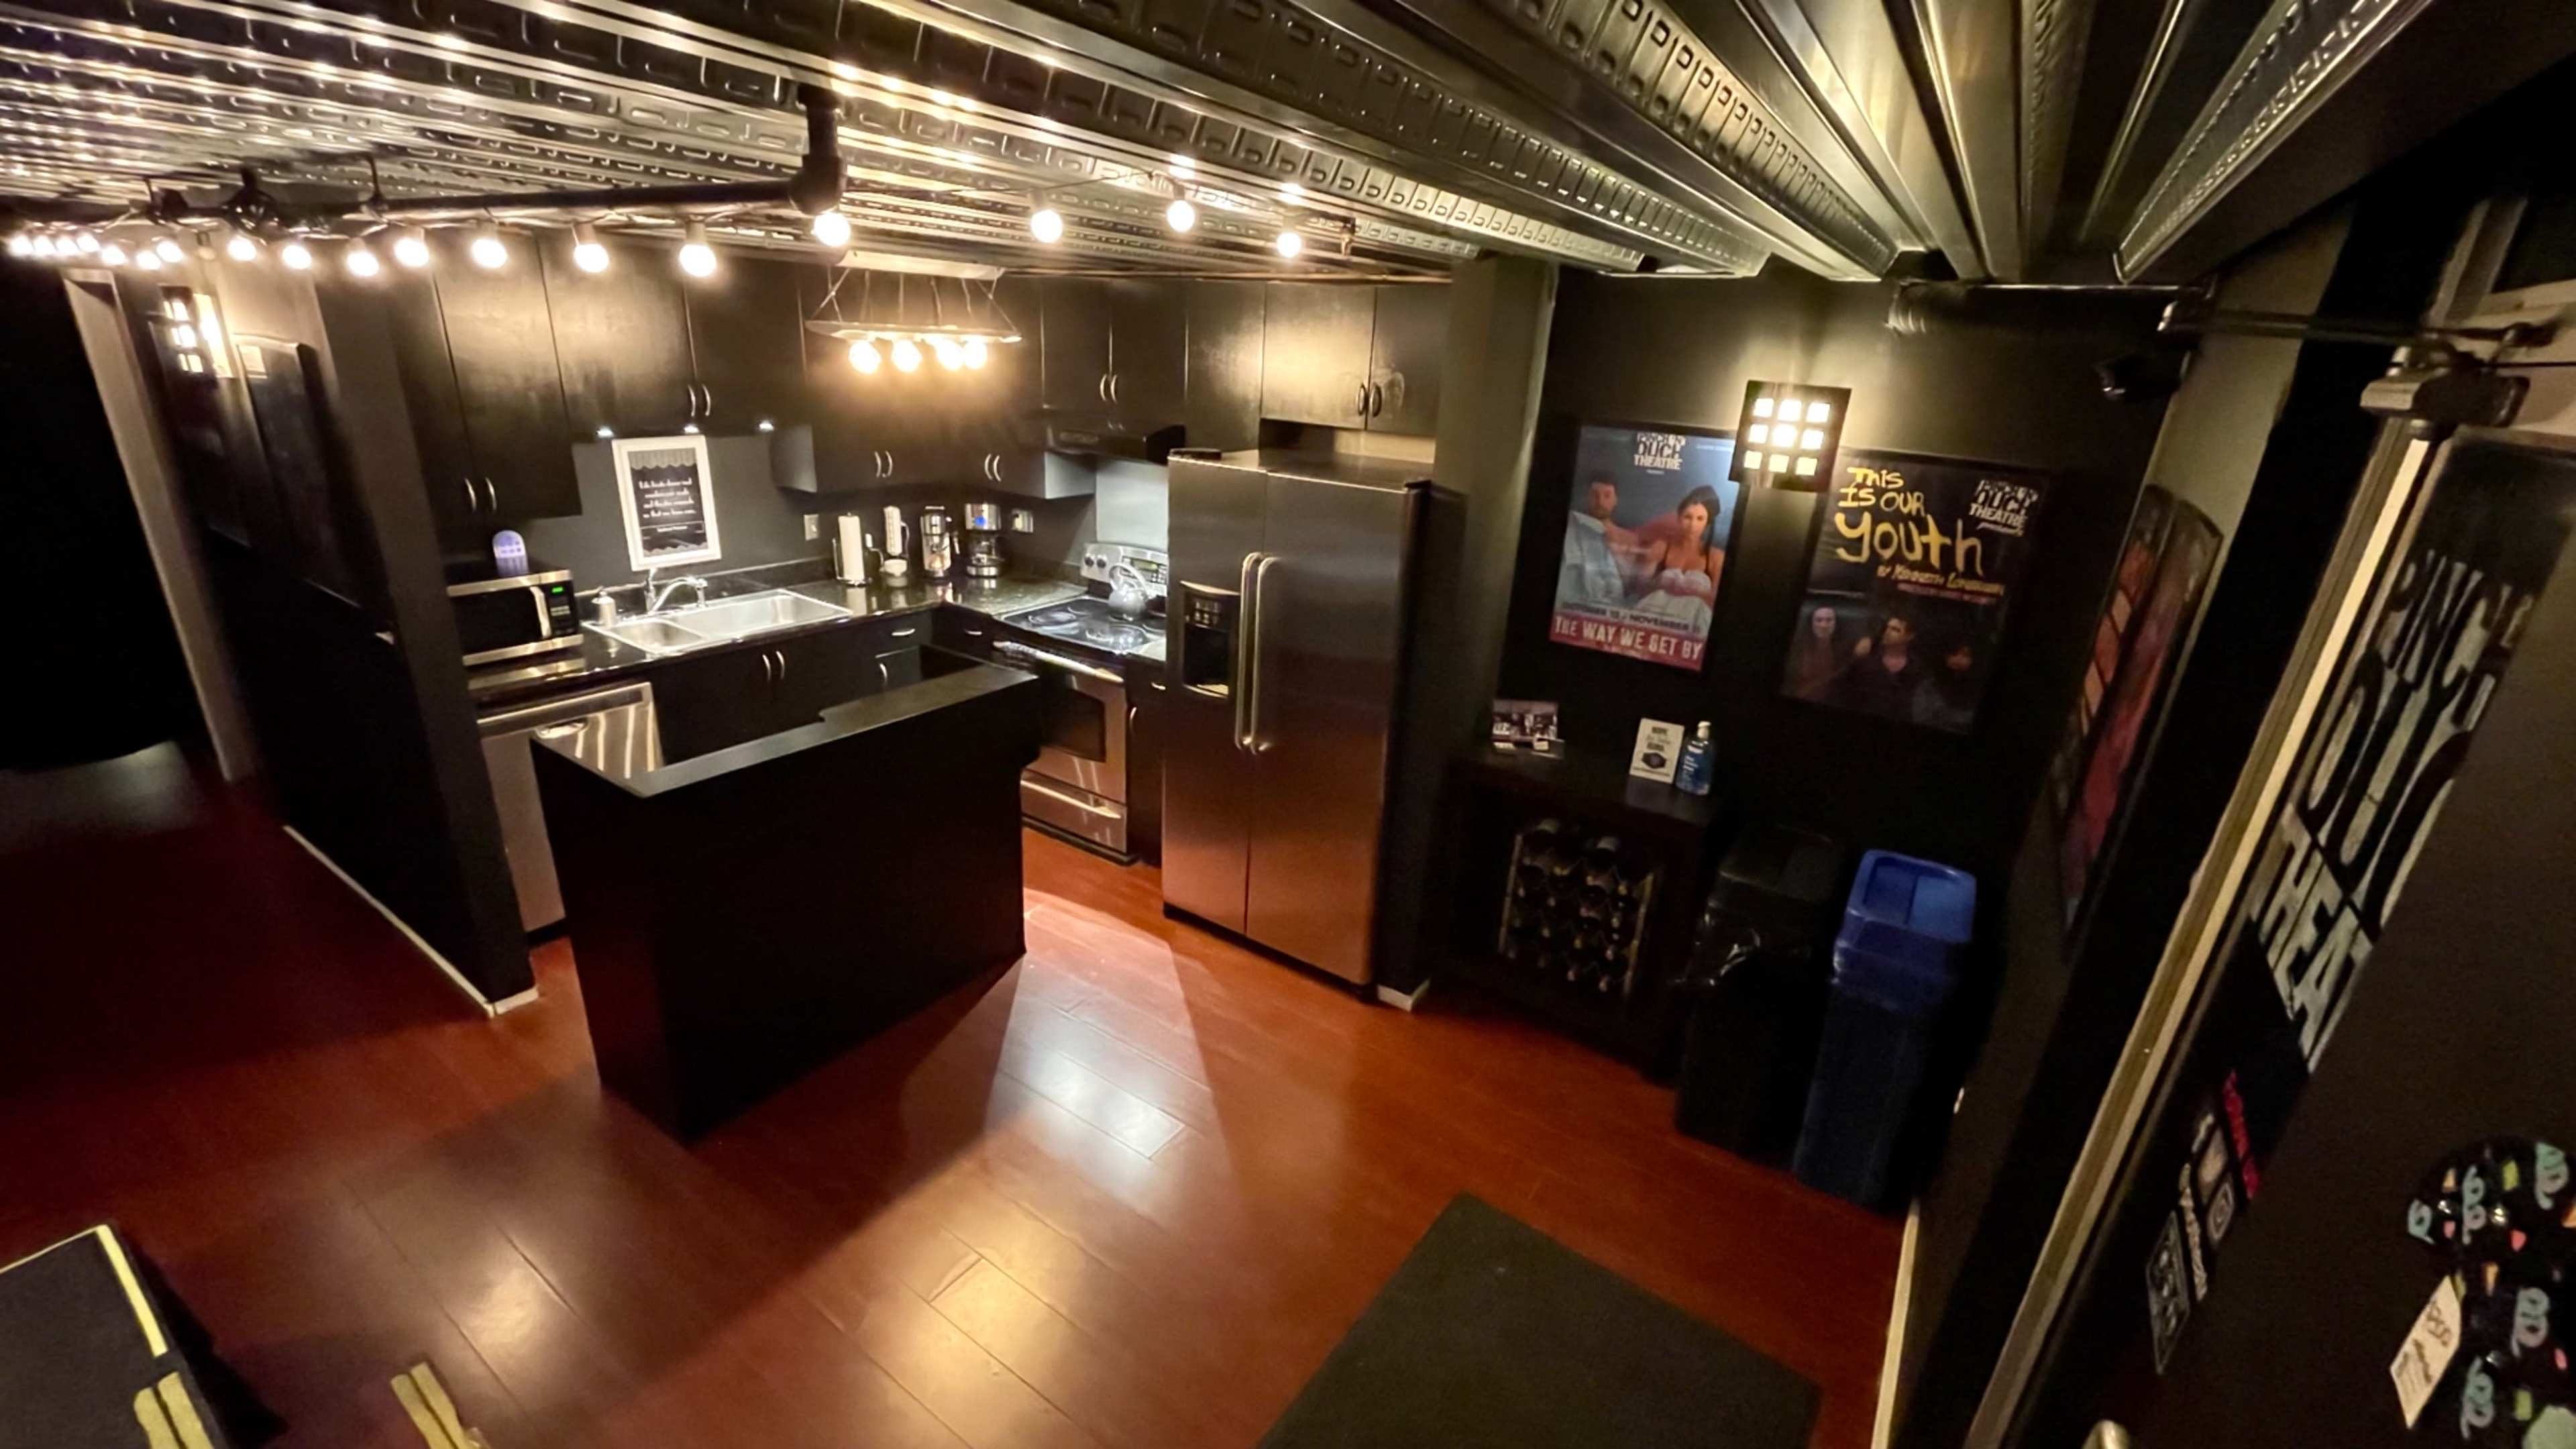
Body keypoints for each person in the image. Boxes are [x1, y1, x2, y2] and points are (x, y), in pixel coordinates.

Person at [1627, 485, 1725, 634]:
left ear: (1707, 523)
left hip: (1693, 622)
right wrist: (1662, 585)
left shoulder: (1716, 557)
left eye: (1700, 519)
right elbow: (1639, 588)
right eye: (1688, 517)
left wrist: (1694, 592)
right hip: (1654, 616)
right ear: (1679, 518)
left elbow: (1717, 602)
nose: (1693, 525)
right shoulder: (1661, 547)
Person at [1557, 470, 1636, 610]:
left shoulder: (1629, 539)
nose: (1600, 502)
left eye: (1607, 495)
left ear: (1615, 500)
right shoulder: (1572, 526)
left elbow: (1631, 585)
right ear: (1588, 497)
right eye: (1595, 495)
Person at [1827, 612, 1924, 719]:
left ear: (1909, 636)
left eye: (1895, 630)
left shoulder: (1916, 667)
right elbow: (1843, 690)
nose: (1888, 632)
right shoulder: (1867, 660)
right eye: (1888, 627)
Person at [1911, 637, 1980, 732]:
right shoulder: (1929, 686)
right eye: (1954, 654)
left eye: (1965, 655)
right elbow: (1920, 718)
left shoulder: (1977, 689)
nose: (1959, 659)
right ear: (1946, 657)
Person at [1786, 603, 1842, 700]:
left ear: (1836, 623)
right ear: (1811, 623)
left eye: (1829, 620)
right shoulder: (1798, 649)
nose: (1824, 625)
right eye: (1819, 620)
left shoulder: (1843, 650)